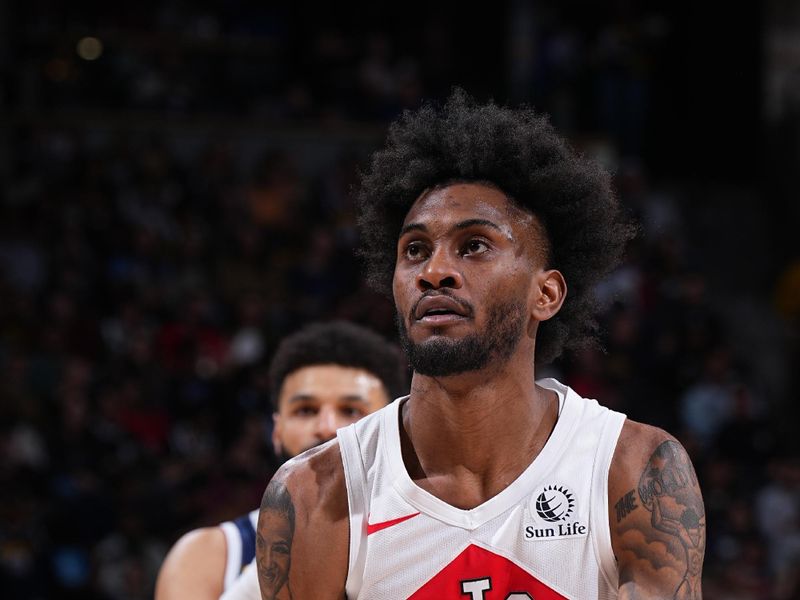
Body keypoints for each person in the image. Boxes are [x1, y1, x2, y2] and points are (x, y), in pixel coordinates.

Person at [255, 90, 706, 599]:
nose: (434, 272)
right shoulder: (314, 493)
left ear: (546, 293)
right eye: (415, 250)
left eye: (474, 246)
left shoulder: (633, 471)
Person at [154, 321, 407, 600]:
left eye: (350, 409)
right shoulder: (209, 555)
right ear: (276, 431)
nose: (326, 426)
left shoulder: (436, 533)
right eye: (306, 410)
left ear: (391, 425)